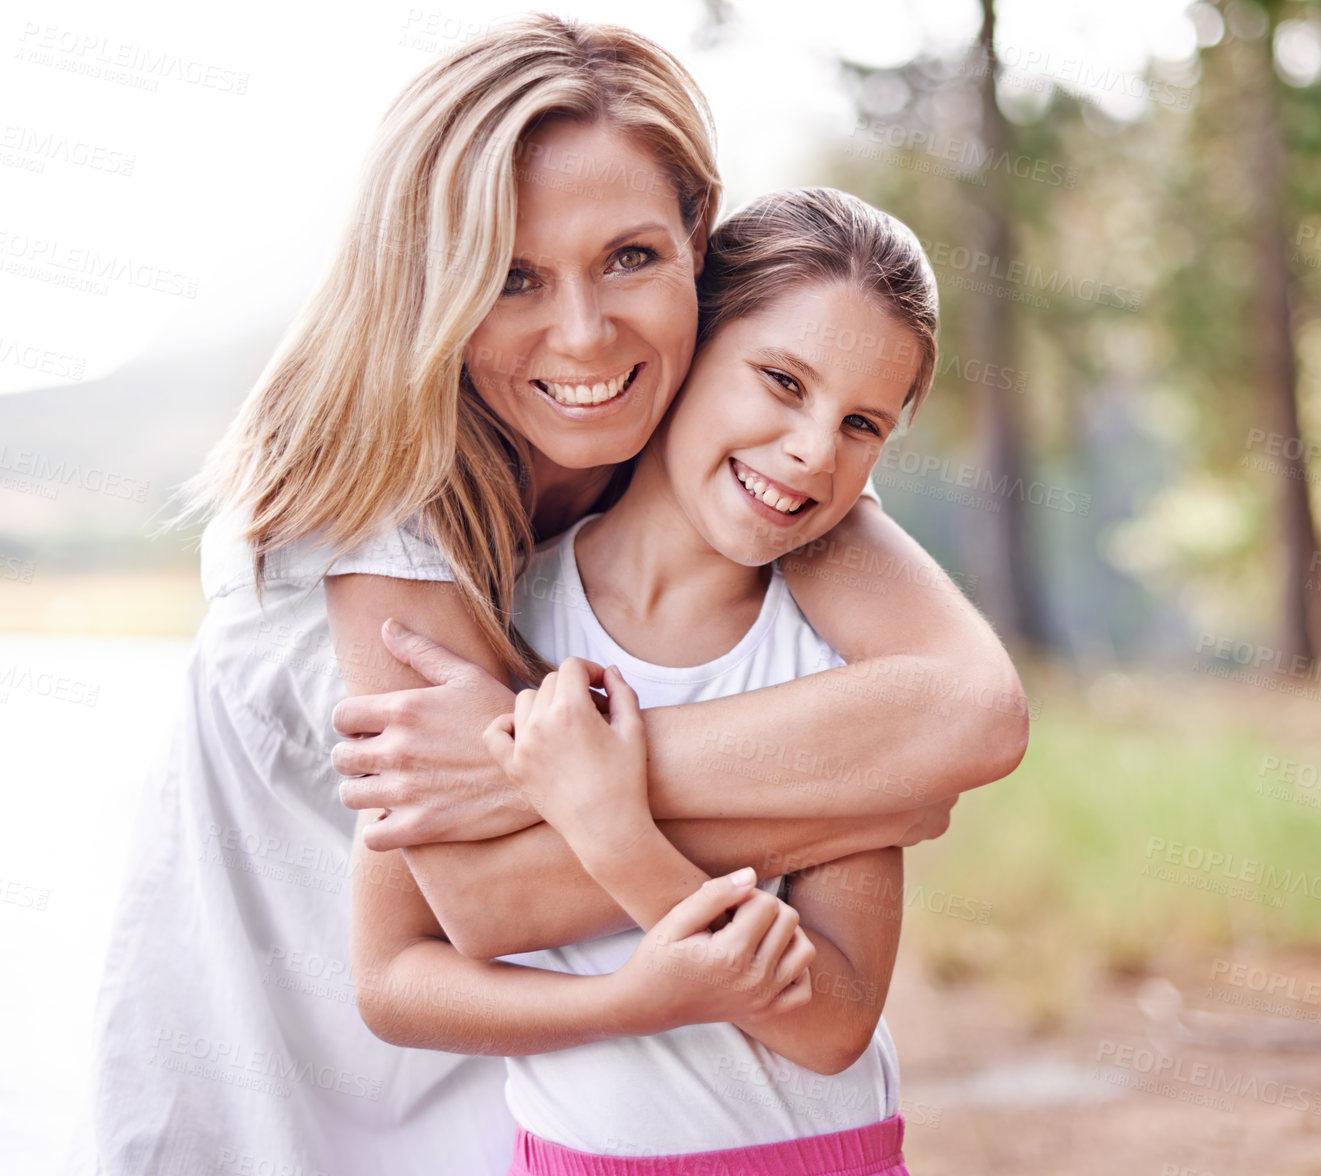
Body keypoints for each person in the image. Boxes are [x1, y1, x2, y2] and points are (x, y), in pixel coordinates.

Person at [85, 16, 1024, 1176]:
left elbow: (972, 719)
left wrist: (561, 766)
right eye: (512, 277)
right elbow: (482, 898)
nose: (584, 334)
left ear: (698, 234)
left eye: (630, 257)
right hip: (279, 1080)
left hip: (550, 1110)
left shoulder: (747, 445)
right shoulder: (391, 492)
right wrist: (856, 792)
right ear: (435, 282)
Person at [352, 187, 935, 1175]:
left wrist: (623, 840)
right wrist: (630, 999)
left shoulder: (845, 667)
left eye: (863, 424)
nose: (812, 451)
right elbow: (396, 980)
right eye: (783, 382)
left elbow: (834, 1022)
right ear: (693, 345)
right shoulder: (500, 616)